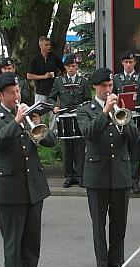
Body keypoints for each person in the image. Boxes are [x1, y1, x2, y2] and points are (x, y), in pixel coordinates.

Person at [0, 73, 56, 267]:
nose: (17, 95)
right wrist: (17, 122)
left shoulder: (27, 114)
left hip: (33, 186)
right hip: (8, 187)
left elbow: (50, 142)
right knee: (12, 240)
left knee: (32, 239)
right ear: (0, 95)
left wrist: (36, 120)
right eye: (12, 92)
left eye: (18, 91)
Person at [77, 68, 140, 267]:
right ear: (95, 87)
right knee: (99, 223)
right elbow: (89, 133)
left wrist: (125, 116)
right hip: (97, 174)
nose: (108, 90)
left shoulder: (121, 106)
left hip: (120, 172)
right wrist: (105, 113)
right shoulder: (86, 109)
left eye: (110, 86)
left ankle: (117, 261)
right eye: (103, 86)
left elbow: (134, 137)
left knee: (119, 222)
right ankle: (102, 263)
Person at [49, 55, 91, 188]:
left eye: (73, 66)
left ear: (77, 66)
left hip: (79, 117)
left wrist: (83, 110)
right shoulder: (59, 81)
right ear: (65, 67)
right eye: (69, 66)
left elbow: (88, 99)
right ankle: (69, 176)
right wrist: (54, 107)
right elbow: (51, 98)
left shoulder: (83, 81)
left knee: (79, 146)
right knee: (67, 147)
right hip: (65, 117)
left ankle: (79, 175)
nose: (71, 69)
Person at [113, 51, 140, 193]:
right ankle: (122, 180)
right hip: (120, 119)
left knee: (135, 151)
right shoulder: (116, 78)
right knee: (120, 150)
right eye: (126, 62)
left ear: (135, 62)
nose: (128, 65)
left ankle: (134, 182)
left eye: (131, 62)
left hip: (135, 118)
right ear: (122, 63)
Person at [27, 37, 64, 104]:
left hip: (54, 91)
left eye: (49, 45)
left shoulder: (55, 57)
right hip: (40, 91)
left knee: (55, 113)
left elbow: (64, 70)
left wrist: (58, 78)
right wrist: (44, 76)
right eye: (46, 45)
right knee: (38, 113)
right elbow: (29, 76)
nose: (49, 47)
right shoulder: (35, 59)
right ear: (40, 46)